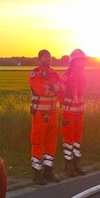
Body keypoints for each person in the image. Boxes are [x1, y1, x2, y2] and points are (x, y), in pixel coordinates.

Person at [28, 49, 61, 185]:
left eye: (50, 56)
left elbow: (63, 87)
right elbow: (40, 89)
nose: (49, 59)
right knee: (37, 142)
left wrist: (50, 87)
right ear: (40, 58)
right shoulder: (33, 73)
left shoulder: (54, 73)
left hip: (53, 113)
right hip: (40, 114)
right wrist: (54, 87)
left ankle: (48, 171)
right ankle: (37, 173)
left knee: (51, 142)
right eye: (46, 56)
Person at [59, 49, 88, 178]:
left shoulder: (83, 75)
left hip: (80, 112)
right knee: (68, 140)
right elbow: (60, 92)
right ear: (74, 61)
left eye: (83, 59)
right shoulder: (68, 75)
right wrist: (66, 103)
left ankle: (76, 163)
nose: (83, 62)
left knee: (77, 140)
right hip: (69, 113)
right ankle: (68, 165)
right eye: (80, 59)